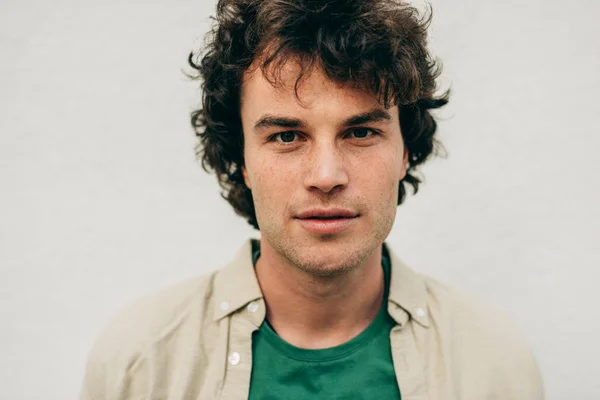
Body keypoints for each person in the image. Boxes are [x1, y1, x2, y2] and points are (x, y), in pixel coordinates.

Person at [81, 0, 544, 399]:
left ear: (405, 151)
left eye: (361, 132)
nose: (326, 175)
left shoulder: (493, 364)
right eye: (286, 136)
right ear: (240, 156)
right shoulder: (140, 361)